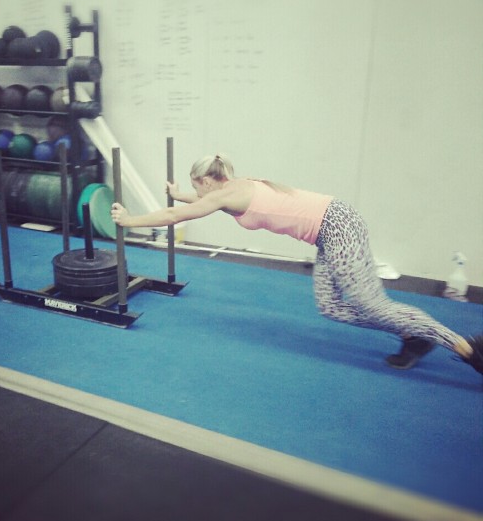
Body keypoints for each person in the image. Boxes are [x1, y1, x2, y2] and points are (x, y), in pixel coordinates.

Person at [111, 153, 483, 375]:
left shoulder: (225, 193)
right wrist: (181, 193)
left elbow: (175, 216)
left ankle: (464, 348)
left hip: (338, 227)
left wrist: (129, 221)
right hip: (329, 229)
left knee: (371, 304)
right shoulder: (232, 187)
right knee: (331, 307)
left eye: (197, 185)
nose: (198, 191)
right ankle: (413, 334)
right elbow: (198, 203)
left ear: (210, 180)